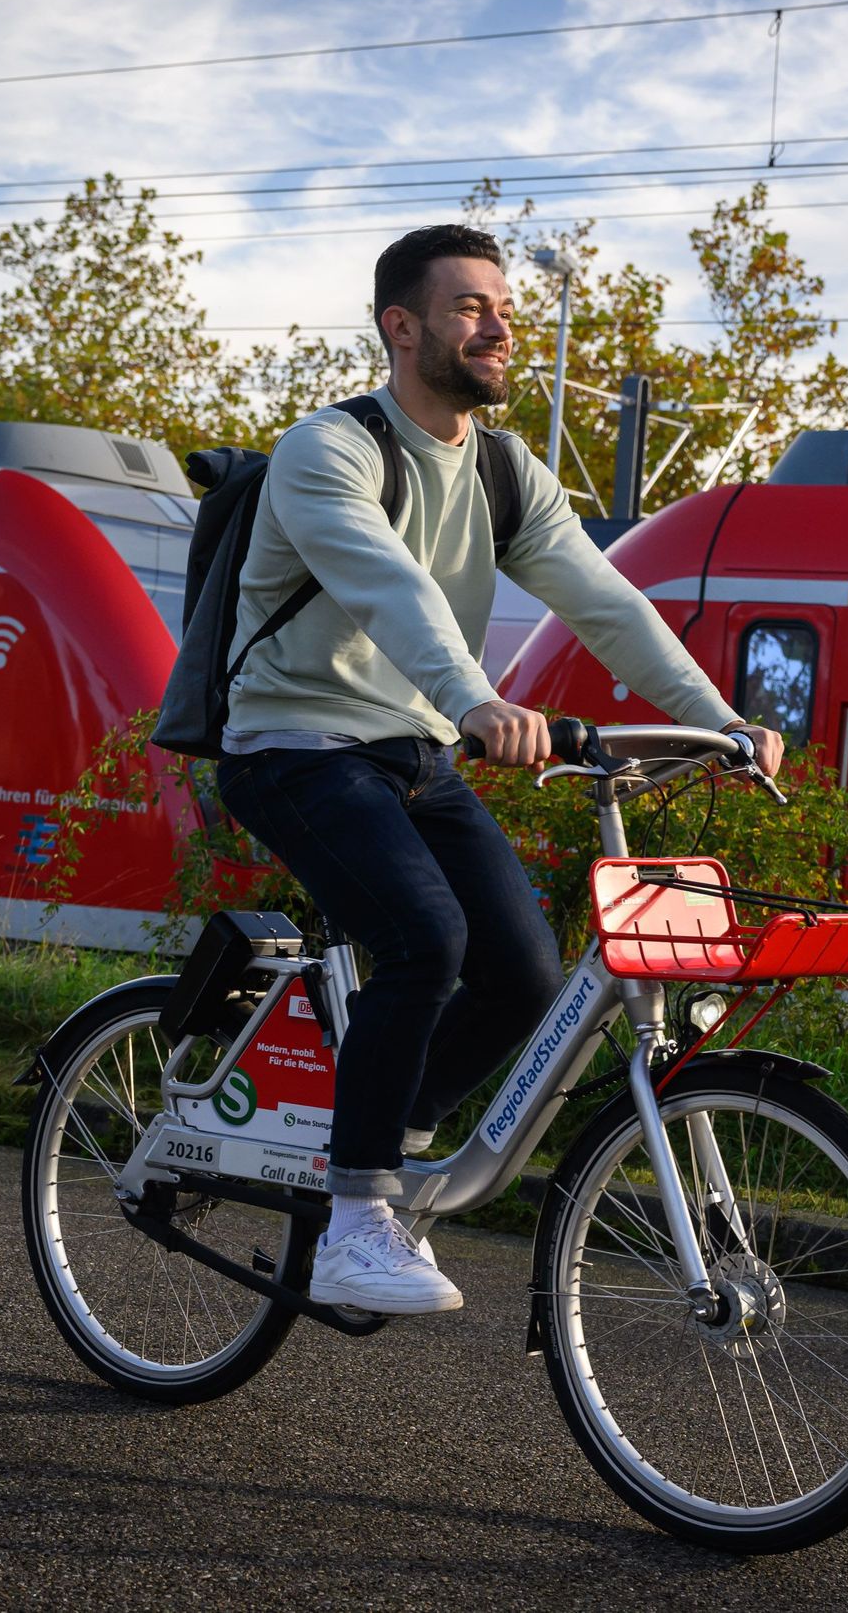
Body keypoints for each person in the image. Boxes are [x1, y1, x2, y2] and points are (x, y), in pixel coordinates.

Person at [215, 224, 783, 1315]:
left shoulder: (505, 471)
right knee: (424, 938)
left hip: (418, 754)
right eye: (471, 306)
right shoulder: (328, 452)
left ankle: (380, 1148)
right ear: (402, 326)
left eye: (501, 307)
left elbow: (605, 602)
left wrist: (717, 719)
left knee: (523, 973)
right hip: (296, 743)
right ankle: (354, 1216)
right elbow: (391, 588)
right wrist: (476, 698)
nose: (500, 325)